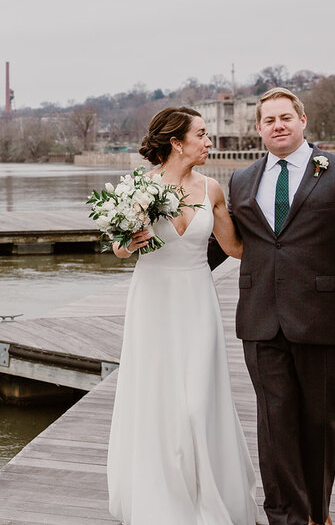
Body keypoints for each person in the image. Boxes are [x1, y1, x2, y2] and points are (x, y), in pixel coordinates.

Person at [218, 87, 335, 525]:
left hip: (324, 320)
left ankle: (318, 511)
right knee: (274, 425)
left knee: (320, 421)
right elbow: (228, 244)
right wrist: (159, 250)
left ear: (303, 120)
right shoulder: (241, 180)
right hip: (260, 319)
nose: (278, 126)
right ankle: (287, 517)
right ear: (258, 128)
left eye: (285, 118)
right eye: (269, 120)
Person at [106, 106, 257, 524]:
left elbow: (236, 248)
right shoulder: (138, 187)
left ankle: (209, 493)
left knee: (198, 399)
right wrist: (131, 240)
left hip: (197, 298)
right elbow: (120, 248)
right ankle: (162, 498)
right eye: (203, 135)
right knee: (159, 394)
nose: (210, 143)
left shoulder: (212, 189)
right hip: (153, 299)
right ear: (176, 142)